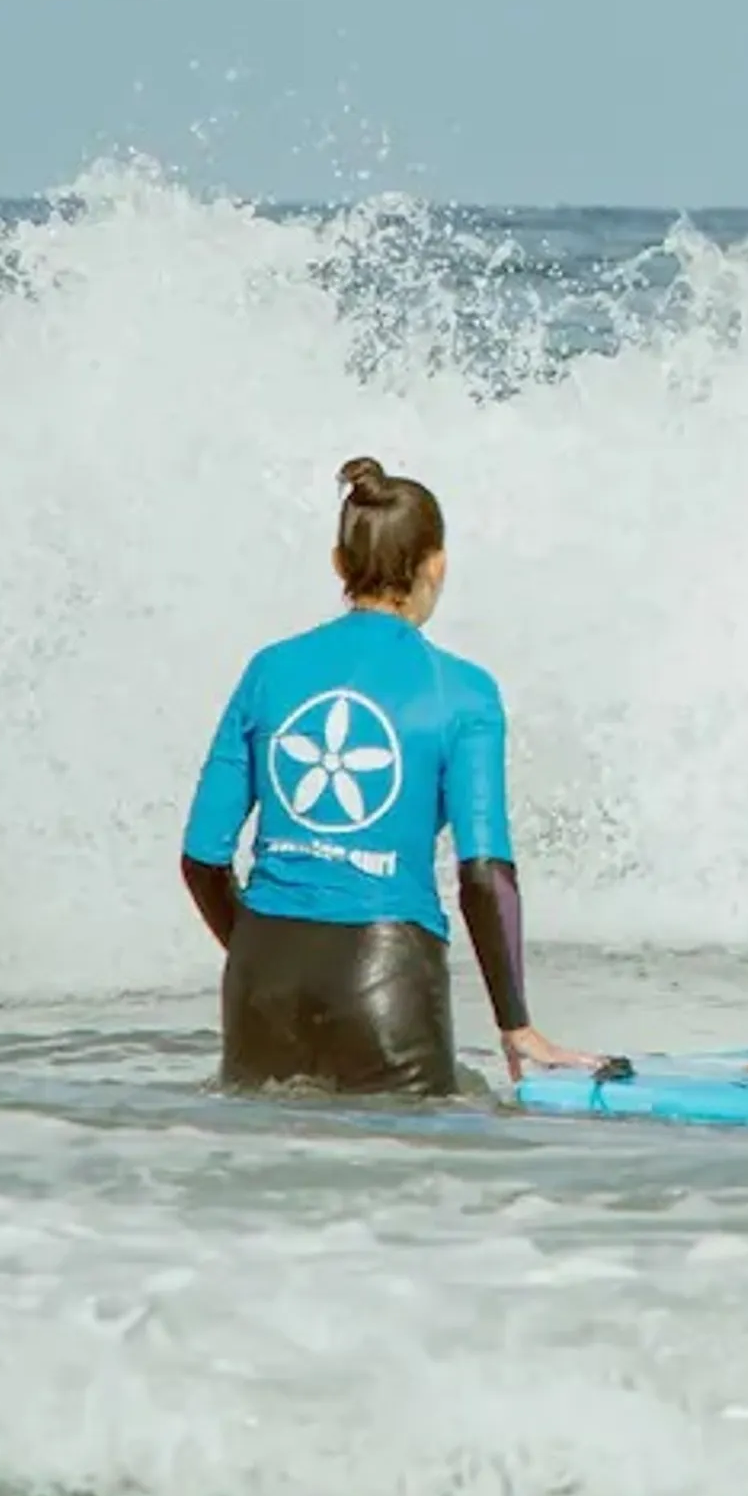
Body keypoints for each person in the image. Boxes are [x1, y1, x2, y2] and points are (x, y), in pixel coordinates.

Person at [180, 458, 580, 1096]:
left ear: (340, 565)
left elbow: (202, 858)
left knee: (254, 1177)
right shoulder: (465, 692)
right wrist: (517, 1026)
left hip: (260, 985)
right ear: (436, 565)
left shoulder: (269, 669)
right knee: (412, 1177)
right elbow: (484, 875)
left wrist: (270, 958)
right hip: (385, 981)